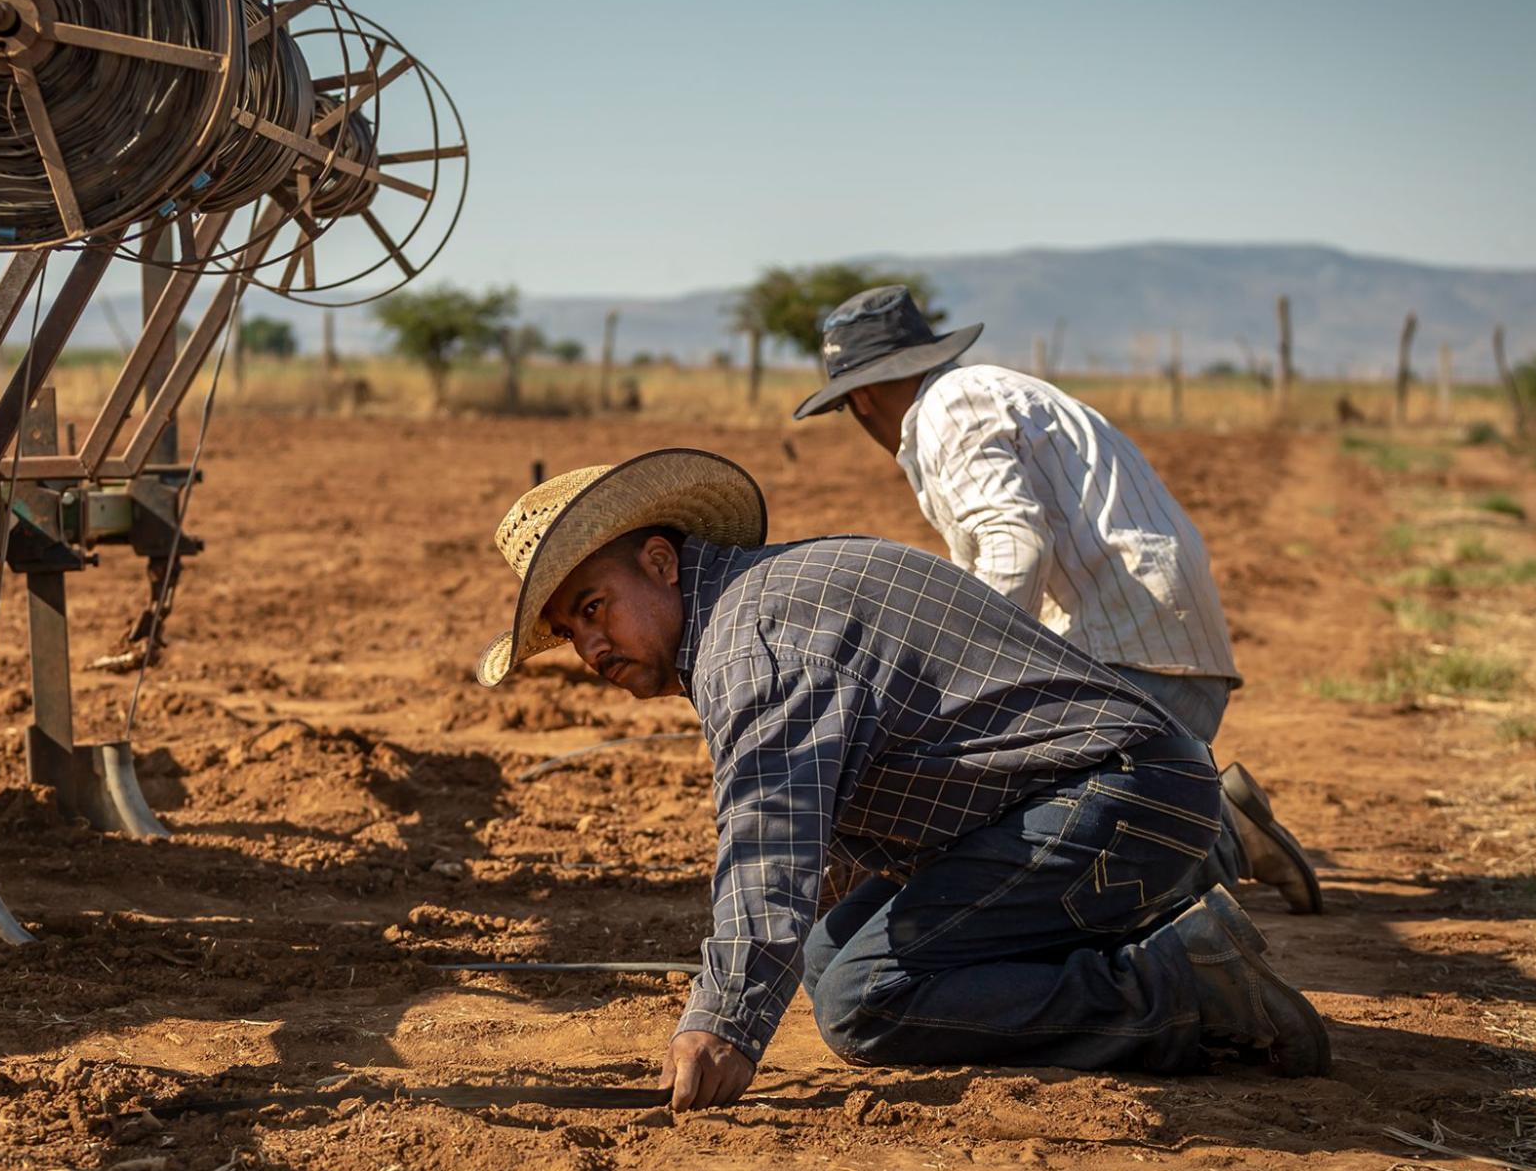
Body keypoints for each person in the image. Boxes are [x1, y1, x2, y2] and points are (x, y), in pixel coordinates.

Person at [474, 450, 1330, 1112]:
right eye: (567, 631)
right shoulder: (759, 600)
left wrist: (724, 1019)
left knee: (862, 1001)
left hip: (1117, 794)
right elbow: (828, 827)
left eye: (593, 608)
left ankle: (1185, 990)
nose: (589, 651)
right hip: (1108, 789)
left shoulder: (752, 642)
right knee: (828, 951)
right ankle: (1204, 853)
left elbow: (768, 840)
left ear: (659, 562)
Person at [792, 286, 1319, 913]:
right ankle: (1204, 820)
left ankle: (1221, 838)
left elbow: (1014, 544)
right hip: (1152, 652)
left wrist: (954, 674)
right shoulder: (981, 393)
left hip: (1132, 660)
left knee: (1035, 861)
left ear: (862, 397)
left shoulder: (948, 409)